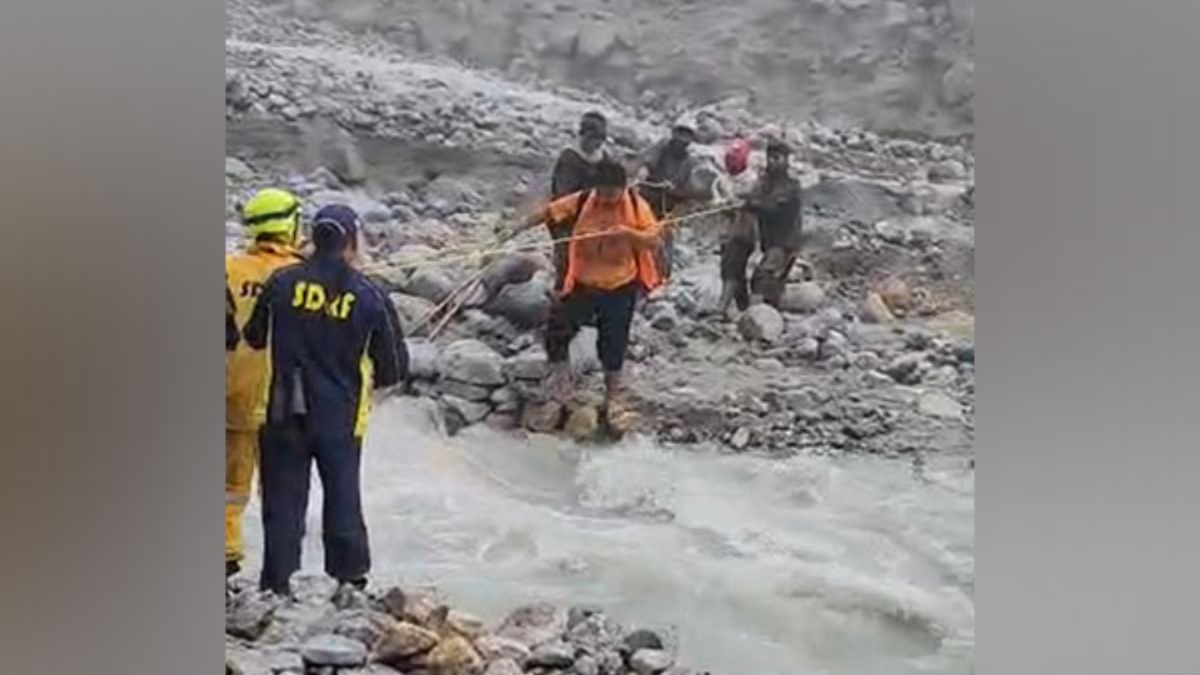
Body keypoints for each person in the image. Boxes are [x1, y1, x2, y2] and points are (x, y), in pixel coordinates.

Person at [243, 204, 408, 596]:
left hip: (282, 408)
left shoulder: (281, 282)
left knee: (282, 502)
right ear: (352, 241)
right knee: (342, 496)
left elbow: (253, 336)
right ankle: (349, 580)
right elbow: (395, 367)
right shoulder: (370, 295)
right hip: (340, 416)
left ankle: (277, 584)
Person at [519, 160, 663, 430]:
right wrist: (519, 226)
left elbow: (654, 240)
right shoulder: (585, 200)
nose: (606, 198)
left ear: (623, 188)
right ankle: (559, 388)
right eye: (603, 192)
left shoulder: (636, 206)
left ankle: (611, 399)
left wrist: (629, 233)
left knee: (613, 343)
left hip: (620, 286)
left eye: (612, 193)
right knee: (558, 329)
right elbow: (551, 213)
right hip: (583, 284)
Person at [225, 187, 306, 579]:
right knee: (282, 489)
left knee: (230, 484)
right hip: (287, 399)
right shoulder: (304, 277)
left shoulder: (228, 268)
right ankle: (279, 573)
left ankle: (225, 551)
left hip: (233, 393)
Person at [546, 111, 612, 292]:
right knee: (566, 261)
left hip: (593, 220)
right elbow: (563, 195)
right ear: (583, 135)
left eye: (600, 138)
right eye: (593, 138)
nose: (597, 143)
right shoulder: (570, 158)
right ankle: (560, 298)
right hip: (566, 220)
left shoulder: (604, 158)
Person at [636, 117, 706, 280]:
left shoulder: (689, 162)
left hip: (666, 209)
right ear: (674, 133)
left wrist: (674, 189)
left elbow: (687, 192)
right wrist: (642, 175)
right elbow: (648, 164)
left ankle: (660, 278)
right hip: (646, 203)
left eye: (687, 135)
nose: (682, 139)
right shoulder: (662, 147)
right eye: (680, 133)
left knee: (664, 249)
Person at [742, 139, 803, 308]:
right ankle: (768, 321)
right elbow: (753, 197)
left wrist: (753, 205)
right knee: (774, 287)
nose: (773, 162)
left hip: (785, 243)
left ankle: (755, 314)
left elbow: (774, 208)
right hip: (770, 242)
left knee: (762, 277)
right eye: (771, 158)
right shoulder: (765, 184)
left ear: (786, 160)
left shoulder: (791, 186)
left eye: (778, 158)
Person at [713, 138, 760, 318]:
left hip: (745, 232)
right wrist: (723, 206)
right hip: (727, 231)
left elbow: (753, 203)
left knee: (730, 266)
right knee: (737, 270)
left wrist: (738, 205)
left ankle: (721, 308)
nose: (733, 162)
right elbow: (717, 202)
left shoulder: (753, 180)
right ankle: (744, 306)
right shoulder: (722, 181)